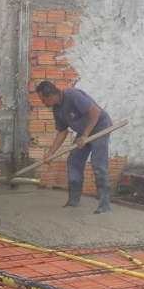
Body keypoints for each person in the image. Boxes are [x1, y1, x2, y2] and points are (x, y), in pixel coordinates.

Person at [36, 81, 112, 214]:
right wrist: (50, 152)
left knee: (98, 164)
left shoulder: (72, 95)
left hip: (100, 126)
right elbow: (62, 131)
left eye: (43, 100)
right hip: (84, 131)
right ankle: (73, 201)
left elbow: (95, 111)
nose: (43, 103)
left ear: (50, 96)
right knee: (74, 161)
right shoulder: (57, 108)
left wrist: (85, 135)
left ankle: (104, 205)